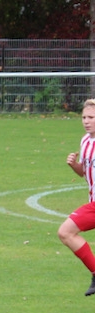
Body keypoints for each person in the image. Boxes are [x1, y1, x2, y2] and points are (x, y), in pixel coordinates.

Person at [57, 99, 95, 296]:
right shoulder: (85, 141)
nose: (86, 121)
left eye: (91, 117)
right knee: (66, 233)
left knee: (66, 231)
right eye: (84, 117)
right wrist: (74, 165)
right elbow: (83, 173)